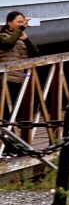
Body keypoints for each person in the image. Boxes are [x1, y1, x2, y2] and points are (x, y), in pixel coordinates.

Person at [2, 11, 41, 155]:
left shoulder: (20, 37)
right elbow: (7, 44)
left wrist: (26, 39)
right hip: (7, 81)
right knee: (7, 114)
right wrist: (21, 30)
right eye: (18, 21)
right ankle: (7, 147)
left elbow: (35, 53)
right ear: (9, 23)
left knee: (17, 114)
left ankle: (15, 145)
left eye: (22, 22)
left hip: (20, 79)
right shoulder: (3, 36)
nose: (21, 24)